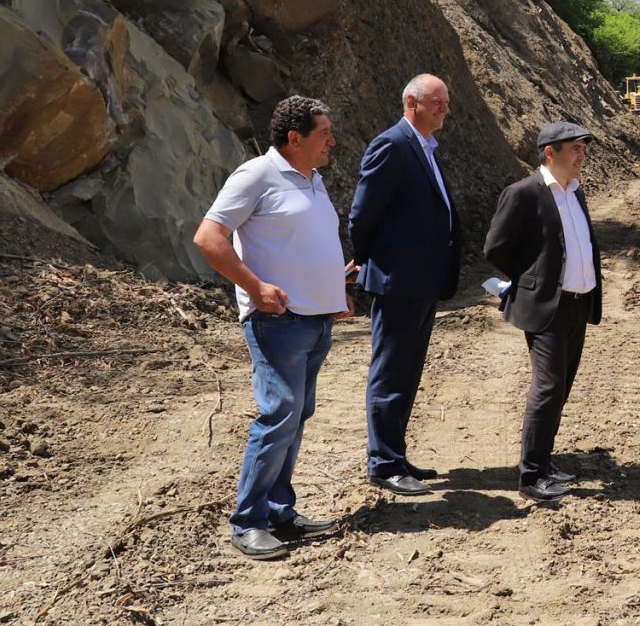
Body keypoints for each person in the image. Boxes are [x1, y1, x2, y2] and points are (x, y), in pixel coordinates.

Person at [192, 96, 349, 560]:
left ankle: (281, 510)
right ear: (294, 138)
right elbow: (209, 237)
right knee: (279, 413)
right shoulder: (255, 175)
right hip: (277, 323)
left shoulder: (314, 179)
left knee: (295, 416)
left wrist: (332, 287)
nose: (332, 141)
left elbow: (299, 244)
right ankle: (248, 521)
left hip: (316, 321)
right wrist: (255, 286)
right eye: (324, 134)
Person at [347, 74, 463, 496]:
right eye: (438, 102)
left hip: (422, 280)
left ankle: (395, 454)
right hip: (398, 280)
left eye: (446, 102)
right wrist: (365, 258)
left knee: (408, 372)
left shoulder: (425, 147)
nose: (445, 109)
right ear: (412, 102)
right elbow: (363, 213)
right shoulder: (392, 145)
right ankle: (383, 463)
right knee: (391, 371)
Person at [484, 121, 603, 502]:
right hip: (548, 308)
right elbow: (496, 248)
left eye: (584, 149)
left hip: (577, 305)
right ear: (550, 152)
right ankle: (531, 476)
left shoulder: (575, 191)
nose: (582, 156)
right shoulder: (524, 193)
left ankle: (545, 462)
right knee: (548, 387)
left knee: (561, 388)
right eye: (575, 149)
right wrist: (532, 280)